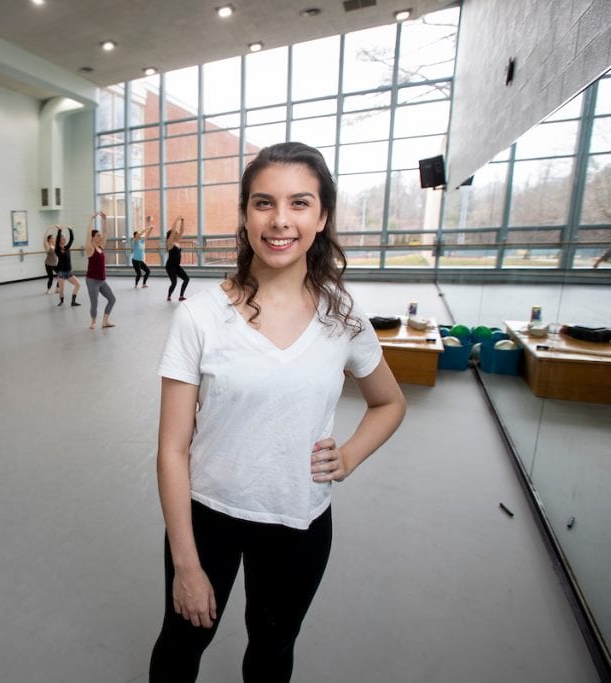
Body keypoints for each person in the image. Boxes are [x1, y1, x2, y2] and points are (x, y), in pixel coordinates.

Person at [149, 142, 406, 682]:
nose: (280, 220)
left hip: (299, 520)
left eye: (300, 203)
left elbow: (389, 402)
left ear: (322, 216)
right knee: (181, 644)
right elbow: (172, 449)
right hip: (207, 516)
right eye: (264, 203)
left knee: (271, 650)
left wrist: (351, 455)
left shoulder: (343, 314)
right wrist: (187, 565)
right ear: (245, 216)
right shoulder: (200, 316)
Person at [84, 211, 117, 330]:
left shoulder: (100, 246)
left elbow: (106, 232)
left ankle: (105, 321)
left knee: (112, 299)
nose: (100, 236)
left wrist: (105, 220)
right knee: (94, 303)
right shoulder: (90, 248)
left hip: (102, 280)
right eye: (98, 235)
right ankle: (93, 322)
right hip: (92, 280)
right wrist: (91, 219)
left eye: (100, 235)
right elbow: (88, 234)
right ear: (93, 237)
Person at [54, 226, 82, 307]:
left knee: (78, 285)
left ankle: (73, 301)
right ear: (59, 240)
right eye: (63, 239)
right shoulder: (57, 249)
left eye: (65, 239)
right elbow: (56, 243)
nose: (65, 240)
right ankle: (61, 301)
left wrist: (70, 230)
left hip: (69, 272)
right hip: (61, 272)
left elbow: (72, 239)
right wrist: (59, 230)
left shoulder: (67, 247)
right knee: (61, 289)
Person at [164, 216, 190, 302]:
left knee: (186, 279)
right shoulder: (169, 243)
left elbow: (182, 231)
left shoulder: (177, 242)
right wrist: (177, 219)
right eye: (175, 233)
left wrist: (182, 221)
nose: (176, 233)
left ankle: (181, 296)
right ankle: (169, 296)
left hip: (177, 265)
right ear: (170, 236)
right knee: (174, 283)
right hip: (170, 266)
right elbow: (172, 231)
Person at [131, 216, 155, 288]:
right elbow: (141, 234)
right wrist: (147, 227)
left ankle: (144, 284)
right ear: (135, 236)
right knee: (139, 274)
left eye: (139, 234)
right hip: (135, 261)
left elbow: (147, 236)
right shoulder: (135, 241)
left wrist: (150, 230)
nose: (139, 235)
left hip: (140, 261)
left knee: (148, 271)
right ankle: (136, 285)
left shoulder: (141, 241)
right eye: (137, 234)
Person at [43, 225, 60, 293]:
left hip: (55, 264)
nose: (53, 239)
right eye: (52, 238)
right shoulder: (47, 246)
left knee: (60, 275)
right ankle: (48, 289)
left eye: (53, 238)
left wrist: (59, 230)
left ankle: (57, 288)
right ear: (49, 239)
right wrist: (48, 229)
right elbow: (44, 239)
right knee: (51, 278)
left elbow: (58, 239)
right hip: (48, 264)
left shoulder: (55, 245)